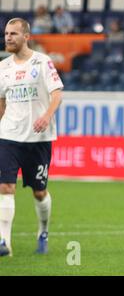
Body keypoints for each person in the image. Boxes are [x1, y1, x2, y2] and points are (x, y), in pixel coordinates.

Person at [0, 18, 64, 257]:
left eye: (14, 33)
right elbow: (1, 101)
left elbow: (57, 93)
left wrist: (47, 116)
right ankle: (4, 242)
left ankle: (43, 231)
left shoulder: (42, 62)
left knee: (39, 191)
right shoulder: (3, 67)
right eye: (6, 33)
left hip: (38, 139)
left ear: (26, 36)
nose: (8, 37)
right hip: (8, 137)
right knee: (5, 186)